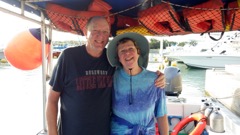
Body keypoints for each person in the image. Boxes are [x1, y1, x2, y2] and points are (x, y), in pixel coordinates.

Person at [46, 16, 165, 135]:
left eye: (105, 32)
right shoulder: (69, 57)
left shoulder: (111, 60)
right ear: (85, 32)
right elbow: (52, 100)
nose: (100, 36)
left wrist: (159, 77)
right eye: (95, 31)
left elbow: (132, 68)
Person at [107, 32, 169, 135]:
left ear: (138, 52)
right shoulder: (112, 77)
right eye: (122, 51)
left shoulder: (155, 79)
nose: (127, 53)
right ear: (118, 57)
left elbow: (161, 114)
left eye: (131, 49)